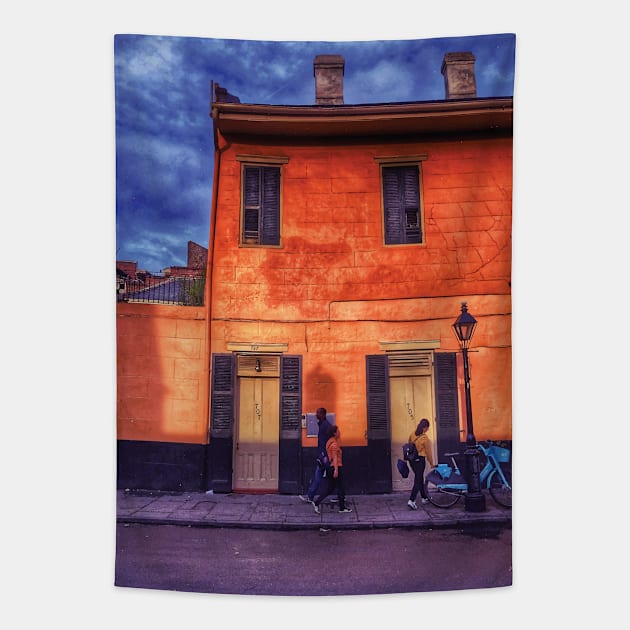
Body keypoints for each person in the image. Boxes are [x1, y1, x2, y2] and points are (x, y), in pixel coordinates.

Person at [313, 424, 352, 514]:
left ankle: (316, 502)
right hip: (336, 466)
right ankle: (342, 508)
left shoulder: (329, 442)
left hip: (330, 467)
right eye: (338, 431)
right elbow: (334, 457)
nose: (339, 433)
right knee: (340, 487)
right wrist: (336, 470)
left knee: (330, 488)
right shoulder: (334, 444)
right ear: (334, 433)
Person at [299, 407, 331, 504]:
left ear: (323, 415)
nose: (316, 415)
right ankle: (310, 496)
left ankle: (340, 495)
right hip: (323, 456)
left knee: (331, 477)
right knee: (320, 476)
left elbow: (327, 442)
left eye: (318, 413)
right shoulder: (323, 425)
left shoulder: (325, 426)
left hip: (325, 457)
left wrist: (323, 456)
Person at [407, 418, 434, 510]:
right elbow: (429, 452)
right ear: (424, 428)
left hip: (412, 461)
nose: (427, 430)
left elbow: (409, 446)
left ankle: (424, 497)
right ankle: (412, 500)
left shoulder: (412, 434)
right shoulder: (424, 439)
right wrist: (431, 463)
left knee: (419, 477)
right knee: (418, 480)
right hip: (420, 460)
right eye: (427, 428)